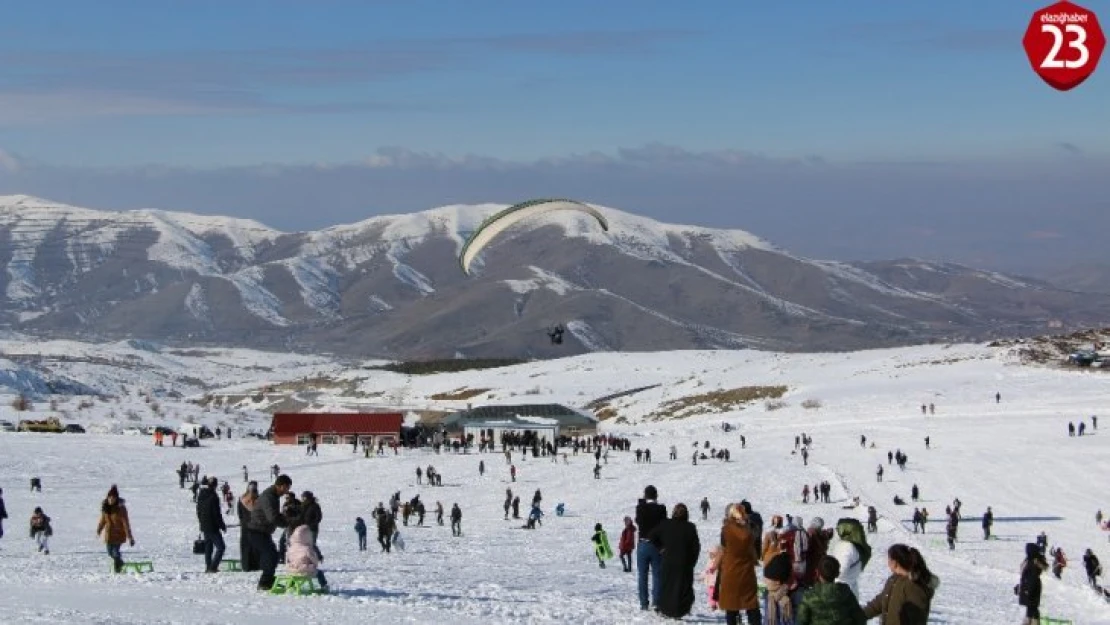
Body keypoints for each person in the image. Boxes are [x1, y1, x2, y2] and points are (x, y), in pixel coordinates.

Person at [861, 544, 938, 625]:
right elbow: (880, 602)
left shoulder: (914, 586)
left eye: (889, 559)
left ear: (895, 563)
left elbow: (917, 619)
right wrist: (859, 616)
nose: (887, 562)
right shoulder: (894, 579)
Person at [648, 503, 701, 619]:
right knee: (682, 588)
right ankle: (680, 611)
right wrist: (692, 562)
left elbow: (652, 536)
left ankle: (666, 610)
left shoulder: (666, 524)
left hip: (668, 560)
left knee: (667, 586)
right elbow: (696, 547)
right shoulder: (690, 527)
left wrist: (660, 548)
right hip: (684, 562)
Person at [245, 474, 292, 591]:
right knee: (271, 554)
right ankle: (264, 582)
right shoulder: (269, 497)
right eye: (287, 488)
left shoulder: (273, 496)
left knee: (272, 555)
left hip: (262, 531)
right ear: (281, 486)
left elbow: (274, 516)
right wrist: (288, 523)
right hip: (256, 531)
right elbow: (272, 517)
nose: (287, 492)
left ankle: (268, 579)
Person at [718, 503, 760, 625]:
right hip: (747, 571)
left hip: (731, 571)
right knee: (751, 605)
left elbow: (724, 545)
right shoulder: (751, 529)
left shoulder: (726, 529)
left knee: (731, 606)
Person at [795, 556, 867, 625]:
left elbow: (801, 621)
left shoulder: (809, 596)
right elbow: (860, 618)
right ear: (837, 574)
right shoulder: (845, 592)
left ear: (817, 573)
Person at [635, 485, 668, 611]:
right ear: (656, 495)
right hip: (657, 545)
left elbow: (638, 521)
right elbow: (664, 524)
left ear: (645, 495)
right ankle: (657, 602)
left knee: (642, 575)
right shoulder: (661, 508)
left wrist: (642, 503)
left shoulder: (640, 508)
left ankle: (644, 603)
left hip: (643, 544)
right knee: (657, 574)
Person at [829, 518, 871, 599]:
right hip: (850, 587)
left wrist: (827, 574)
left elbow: (841, 571)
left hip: (842, 591)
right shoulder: (852, 544)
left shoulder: (847, 546)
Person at [96, 485, 134, 573]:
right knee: (110, 553)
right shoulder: (105, 508)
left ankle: (118, 568)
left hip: (118, 534)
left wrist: (130, 537)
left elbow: (126, 524)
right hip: (109, 535)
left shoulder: (121, 509)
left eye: (113, 498)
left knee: (115, 553)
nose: (111, 500)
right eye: (109, 498)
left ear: (116, 499)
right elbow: (102, 521)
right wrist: (98, 530)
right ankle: (120, 564)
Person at [284, 525, 329, 593]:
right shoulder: (307, 549)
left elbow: (287, 558)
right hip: (306, 571)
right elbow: (314, 560)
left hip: (292, 570)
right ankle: (324, 586)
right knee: (319, 573)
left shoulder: (291, 548)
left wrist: (289, 566)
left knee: (295, 573)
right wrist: (314, 564)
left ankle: (291, 586)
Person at [196, 476, 226, 572]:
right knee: (221, 547)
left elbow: (198, 510)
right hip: (212, 526)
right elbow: (216, 514)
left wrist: (201, 521)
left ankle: (208, 567)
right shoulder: (214, 496)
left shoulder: (201, 495)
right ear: (215, 485)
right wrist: (222, 525)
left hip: (204, 525)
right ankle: (213, 567)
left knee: (208, 547)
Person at [1018, 542, 1048, 625]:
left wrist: (1028, 590)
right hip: (1029, 587)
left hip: (1031, 588)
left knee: (1031, 610)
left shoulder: (1034, 561)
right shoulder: (1029, 559)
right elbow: (1025, 576)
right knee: (1032, 610)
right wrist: (1020, 587)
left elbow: (1032, 577)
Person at [237, 481, 260, 571]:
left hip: (245, 525)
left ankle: (245, 565)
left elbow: (239, 513)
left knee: (245, 545)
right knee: (255, 544)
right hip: (255, 525)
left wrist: (243, 520)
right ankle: (255, 565)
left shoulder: (242, 498)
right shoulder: (258, 499)